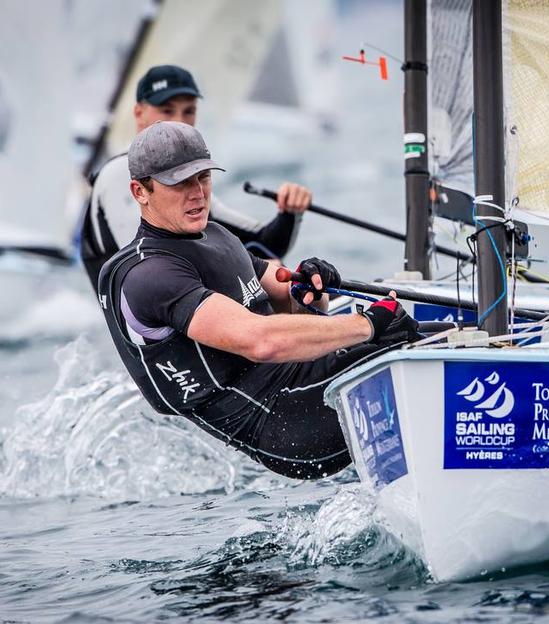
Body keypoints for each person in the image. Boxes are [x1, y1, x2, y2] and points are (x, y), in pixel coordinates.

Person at [98, 121, 421, 480]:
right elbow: (261, 341)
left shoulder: (218, 236)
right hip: (284, 423)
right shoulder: (148, 274)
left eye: (203, 177)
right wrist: (368, 324)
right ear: (140, 191)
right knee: (420, 353)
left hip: (305, 378)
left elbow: (292, 302)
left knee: (443, 335)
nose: (198, 193)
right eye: (179, 183)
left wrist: (310, 288)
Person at [81, 64, 313, 289]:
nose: (179, 122)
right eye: (167, 110)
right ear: (138, 113)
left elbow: (264, 246)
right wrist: (255, 271)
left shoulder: (193, 188)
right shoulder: (118, 175)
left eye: (189, 111)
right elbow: (147, 272)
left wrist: (290, 212)